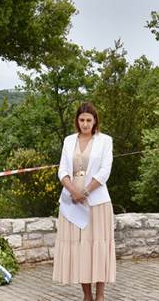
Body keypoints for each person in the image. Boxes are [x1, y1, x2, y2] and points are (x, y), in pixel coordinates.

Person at [52, 102, 115, 301]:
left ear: (95, 120)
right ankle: (87, 295)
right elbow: (62, 170)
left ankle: (100, 295)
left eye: (89, 120)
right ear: (77, 121)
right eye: (82, 120)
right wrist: (73, 191)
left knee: (99, 247)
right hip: (72, 200)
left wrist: (85, 191)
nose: (85, 124)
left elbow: (105, 171)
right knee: (82, 249)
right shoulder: (69, 141)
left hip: (96, 201)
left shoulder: (105, 141)